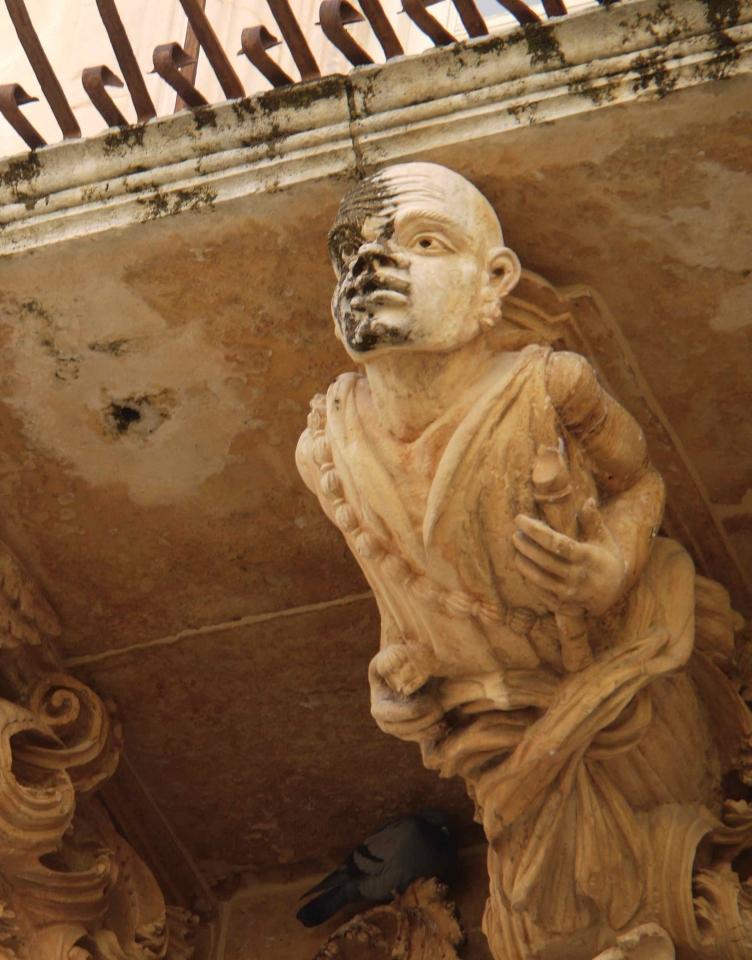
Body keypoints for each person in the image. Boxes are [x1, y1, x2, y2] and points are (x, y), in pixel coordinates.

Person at [296, 163, 752, 959]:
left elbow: (638, 480)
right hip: (496, 737)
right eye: (350, 252)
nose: (371, 264)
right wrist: (395, 693)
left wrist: (611, 563)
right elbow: (402, 601)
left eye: (422, 243)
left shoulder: (551, 386)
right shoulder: (326, 447)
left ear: (494, 279)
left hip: (617, 700)